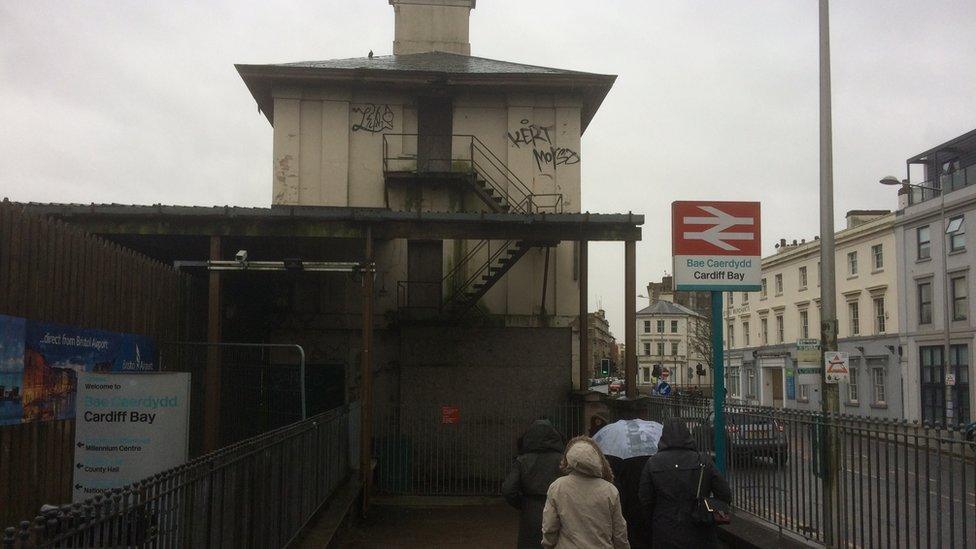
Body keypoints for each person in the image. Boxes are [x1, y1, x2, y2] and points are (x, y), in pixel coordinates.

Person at [638, 419, 731, 548]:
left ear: (663, 437)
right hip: (700, 527)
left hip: (665, 527)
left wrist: (654, 520)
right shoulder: (703, 460)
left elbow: (645, 499)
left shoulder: (653, 463)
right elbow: (724, 493)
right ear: (688, 435)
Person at [541, 436, 630, 548]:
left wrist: (548, 545)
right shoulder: (609, 490)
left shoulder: (557, 487)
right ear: (597, 460)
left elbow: (549, 526)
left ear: (569, 459)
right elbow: (619, 531)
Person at [502, 420, 566, 548]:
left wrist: (523, 503)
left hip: (531, 510)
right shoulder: (563, 459)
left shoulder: (523, 460)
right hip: (558, 509)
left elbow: (508, 489)